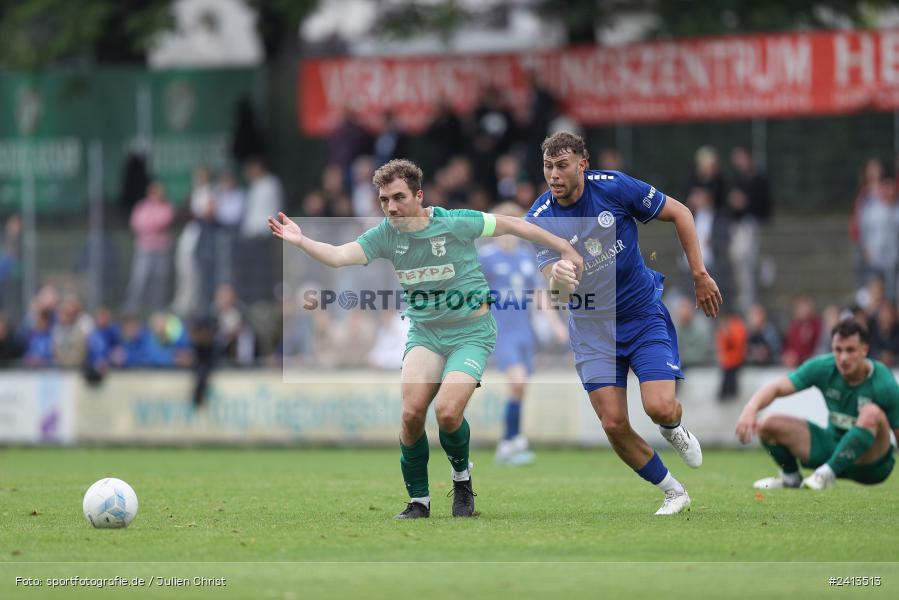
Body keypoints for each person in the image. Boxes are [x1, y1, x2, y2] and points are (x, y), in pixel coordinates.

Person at [270, 158, 582, 519]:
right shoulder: (385, 234)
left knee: (448, 413)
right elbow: (340, 257)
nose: (391, 207)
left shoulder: (454, 222)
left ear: (419, 196)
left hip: (471, 333)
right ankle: (419, 501)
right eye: (384, 200)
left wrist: (563, 246)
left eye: (398, 197)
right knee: (411, 414)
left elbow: (513, 224)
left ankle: (462, 480)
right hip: (426, 334)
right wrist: (301, 240)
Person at [526, 131, 722, 515]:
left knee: (661, 408)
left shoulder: (613, 187)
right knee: (613, 423)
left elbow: (680, 212)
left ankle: (673, 429)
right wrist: (560, 280)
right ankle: (672, 490)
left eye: (562, 166)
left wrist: (699, 274)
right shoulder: (539, 218)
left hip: (641, 315)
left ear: (583, 164)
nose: (554, 175)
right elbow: (554, 285)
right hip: (592, 330)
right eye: (548, 167)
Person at [736, 318, 899, 490]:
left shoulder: (884, 383)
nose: (843, 357)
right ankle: (791, 479)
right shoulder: (824, 367)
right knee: (766, 424)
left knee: (871, 413)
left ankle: (825, 474)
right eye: (838, 350)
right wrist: (750, 408)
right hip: (830, 449)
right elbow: (777, 388)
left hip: (870, 466)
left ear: (865, 350)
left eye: (850, 350)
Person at [479, 202, 551, 466]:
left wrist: (554, 324)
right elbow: (474, 292)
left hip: (525, 332)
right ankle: (509, 441)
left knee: (520, 389)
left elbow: (539, 294)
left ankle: (512, 440)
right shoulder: (486, 257)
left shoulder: (526, 256)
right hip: (501, 331)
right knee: (517, 382)